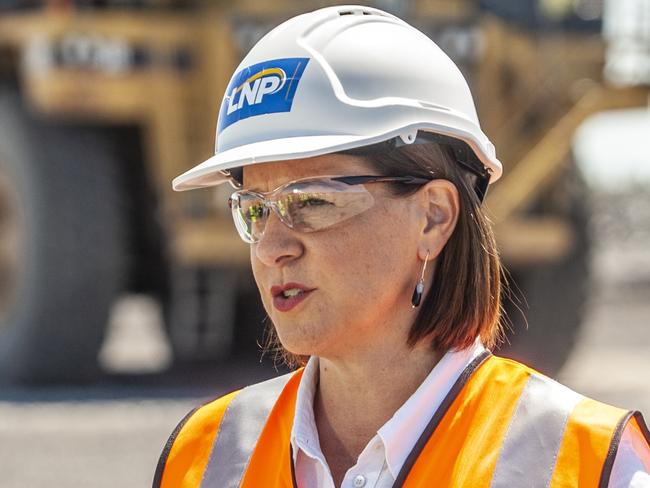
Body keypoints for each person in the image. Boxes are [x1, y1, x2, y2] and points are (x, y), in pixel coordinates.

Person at [153, 5, 650, 487]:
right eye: (254, 210)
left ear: (433, 217)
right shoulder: (203, 458)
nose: (271, 248)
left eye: (312, 202)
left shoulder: (585, 462)